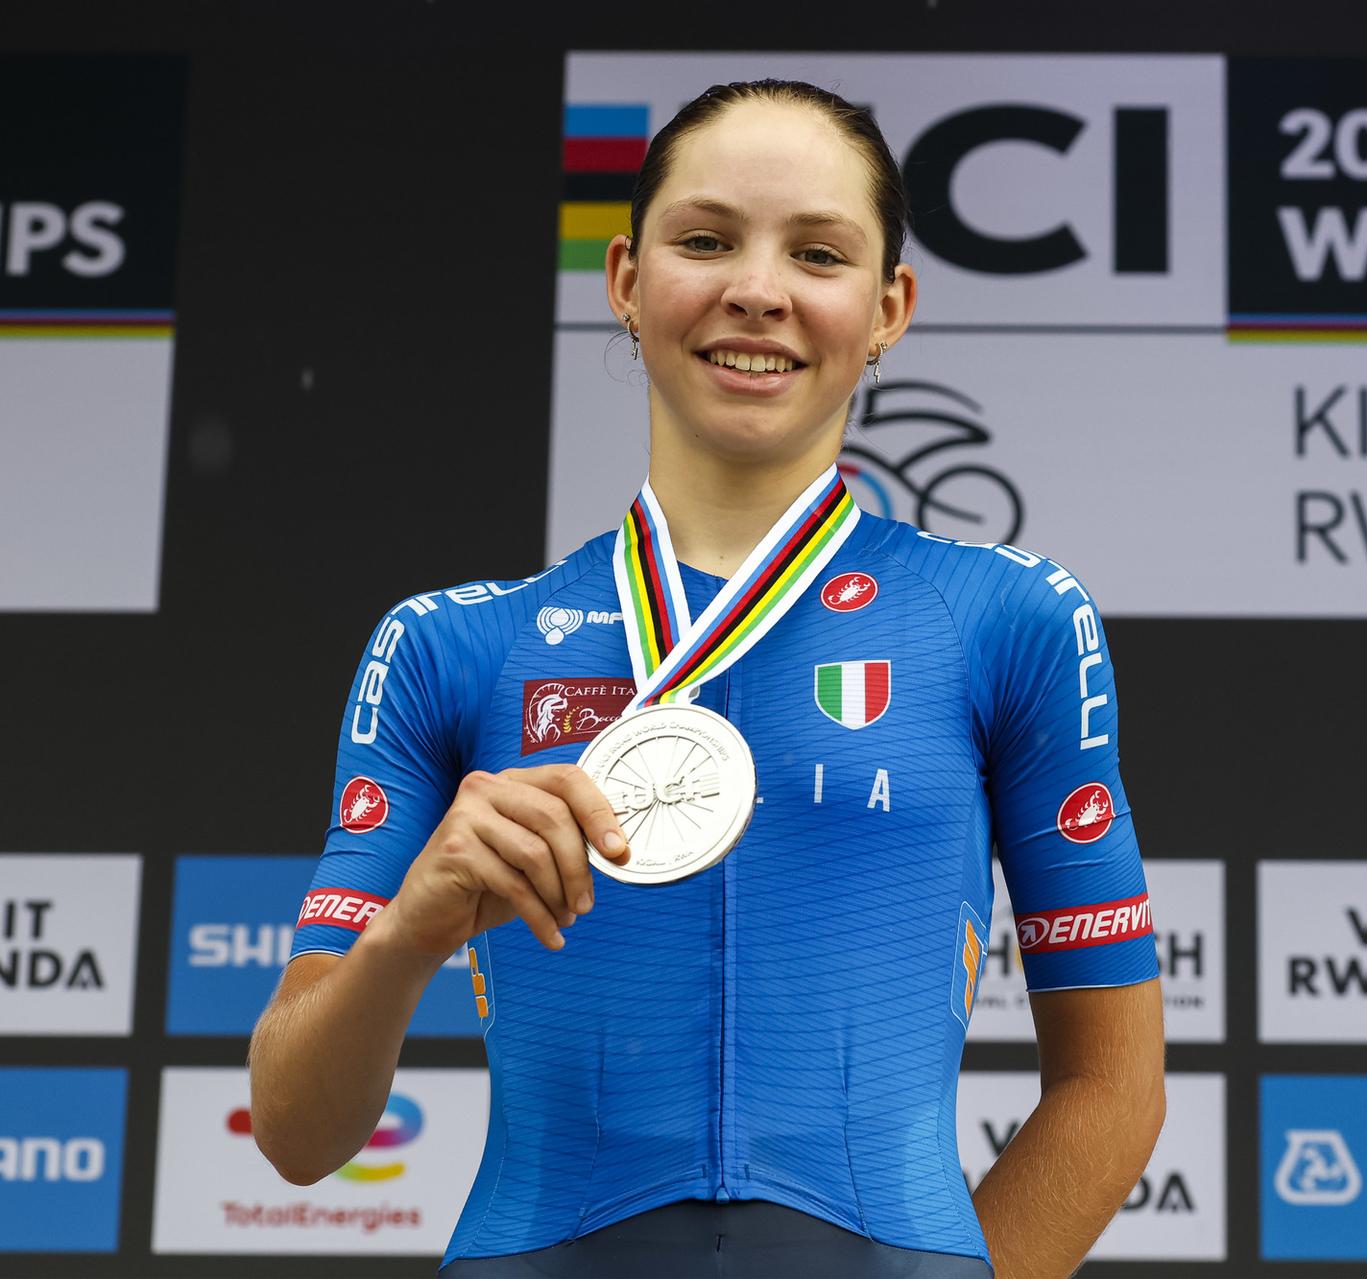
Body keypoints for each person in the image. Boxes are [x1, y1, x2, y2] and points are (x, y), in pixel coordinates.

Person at [248, 79, 1164, 1278]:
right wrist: (409, 932)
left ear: (888, 308)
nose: (758, 290)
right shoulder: (448, 646)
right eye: (707, 240)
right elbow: (295, 1133)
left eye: (818, 253)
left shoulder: (1008, 620)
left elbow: (1112, 1087)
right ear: (627, 281)